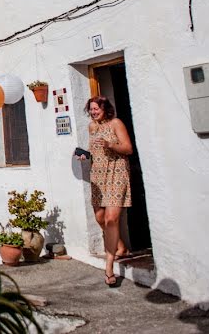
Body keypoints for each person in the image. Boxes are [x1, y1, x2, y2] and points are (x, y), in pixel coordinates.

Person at [76, 95, 133, 287]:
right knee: (100, 217)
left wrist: (110, 145)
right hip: (98, 174)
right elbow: (94, 151)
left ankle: (109, 269)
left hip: (117, 172)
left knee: (111, 219)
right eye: (91, 109)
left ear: (105, 109)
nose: (93, 112)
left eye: (96, 109)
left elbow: (128, 148)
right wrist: (84, 155)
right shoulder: (92, 127)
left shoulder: (116, 123)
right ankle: (120, 247)